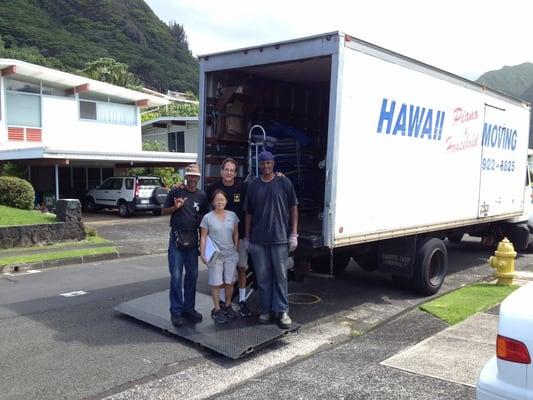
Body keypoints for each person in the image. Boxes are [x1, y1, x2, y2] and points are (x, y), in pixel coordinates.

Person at [243, 151, 299, 329]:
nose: (265, 166)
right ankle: (267, 310)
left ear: (273, 163)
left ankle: (282, 311)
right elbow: (248, 213)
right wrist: (247, 237)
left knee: (281, 276)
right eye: (262, 164)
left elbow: (293, 208)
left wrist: (294, 233)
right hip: (258, 240)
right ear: (259, 165)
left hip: (280, 238)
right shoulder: (253, 185)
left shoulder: (284, 182)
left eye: (268, 163)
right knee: (263, 277)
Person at [205, 158, 253, 317]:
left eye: (232, 170)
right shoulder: (212, 188)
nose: (229, 173)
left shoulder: (243, 187)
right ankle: (222, 305)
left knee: (240, 269)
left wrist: (278, 175)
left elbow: (258, 189)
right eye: (226, 169)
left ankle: (242, 300)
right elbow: (202, 207)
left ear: (236, 173)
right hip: (217, 240)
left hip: (236, 238)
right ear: (221, 171)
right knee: (220, 275)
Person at [163, 163, 209, 327]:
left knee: (192, 275)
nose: (192, 178)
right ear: (186, 176)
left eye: (195, 176)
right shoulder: (176, 191)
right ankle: (176, 311)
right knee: (176, 276)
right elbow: (163, 211)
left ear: (198, 178)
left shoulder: (202, 196)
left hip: (192, 239)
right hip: (177, 239)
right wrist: (175, 207)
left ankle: (188, 308)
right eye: (190, 175)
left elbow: (204, 217)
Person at [199, 190, 240, 324]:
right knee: (216, 283)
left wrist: (236, 247)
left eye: (222, 199)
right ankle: (217, 309)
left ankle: (227, 305)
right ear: (213, 202)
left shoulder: (232, 215)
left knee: (229, 282)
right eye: (217, 200)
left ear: (226, 201)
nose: (220, 202)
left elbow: (236, 233)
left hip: (230, 254)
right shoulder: (207, 218)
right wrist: (203, 253)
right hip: (215, 256)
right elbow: (204, 237)